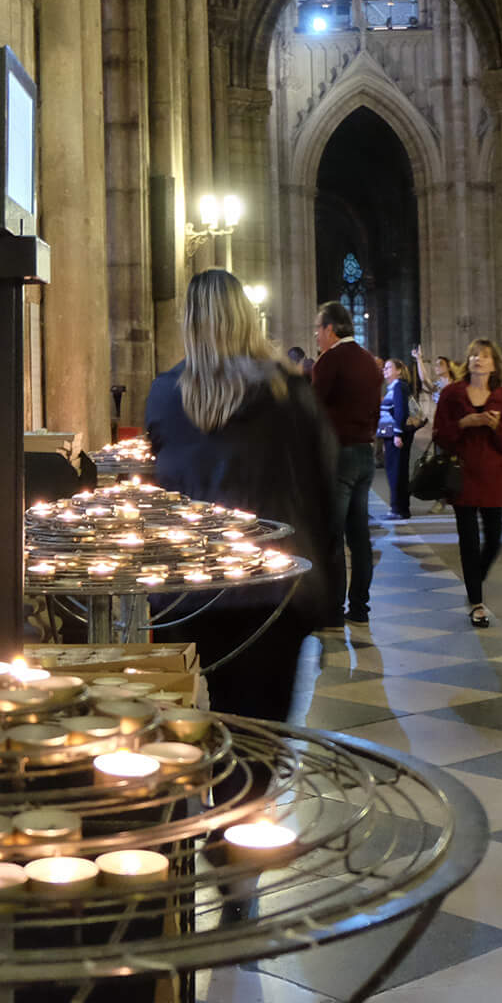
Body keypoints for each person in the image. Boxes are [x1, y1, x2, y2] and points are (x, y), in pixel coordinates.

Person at [144, 270, 337, 718]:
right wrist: (325, 598)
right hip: (272, 590)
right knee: (259, 739)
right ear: (248, 318)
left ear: (188, 322)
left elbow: (163, 492)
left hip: (186, 594)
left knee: (192, 736)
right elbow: (322, 491)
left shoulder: (165, 393)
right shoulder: (287, 389)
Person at [432, 338, 502, 627]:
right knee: (468, 541)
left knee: (495, 538)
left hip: (492, 476)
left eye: (484, 356)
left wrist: (495, 427)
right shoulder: (451, 394)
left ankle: (476, 578)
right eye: (473, 355)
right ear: (467, 362)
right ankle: (476, 602)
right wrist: (464, 424)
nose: (478, 360)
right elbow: (439, 434)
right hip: (462, 476)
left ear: (494, 363)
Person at [308, 300, 384, 625]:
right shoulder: (370, 362)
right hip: (364, 452)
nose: (316, 336)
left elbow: (312, 409)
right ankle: (360, 607)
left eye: (317, 329)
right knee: (359, 535)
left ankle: (333, 609)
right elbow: (376, 410)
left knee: (331, 533)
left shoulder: (330, 361)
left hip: (337, 454)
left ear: (330, 329)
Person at [377, 358, 416, 518]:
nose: (384, 370)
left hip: (397, 435)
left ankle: (398, 509)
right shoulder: (393, 387)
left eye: (388, 368)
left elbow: (401, 412)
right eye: (384, 368)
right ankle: (401, 508)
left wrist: (398, 434)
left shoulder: (399, 386)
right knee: (396, 471)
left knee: (396, 472)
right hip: (392, 435)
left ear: (399, 371)